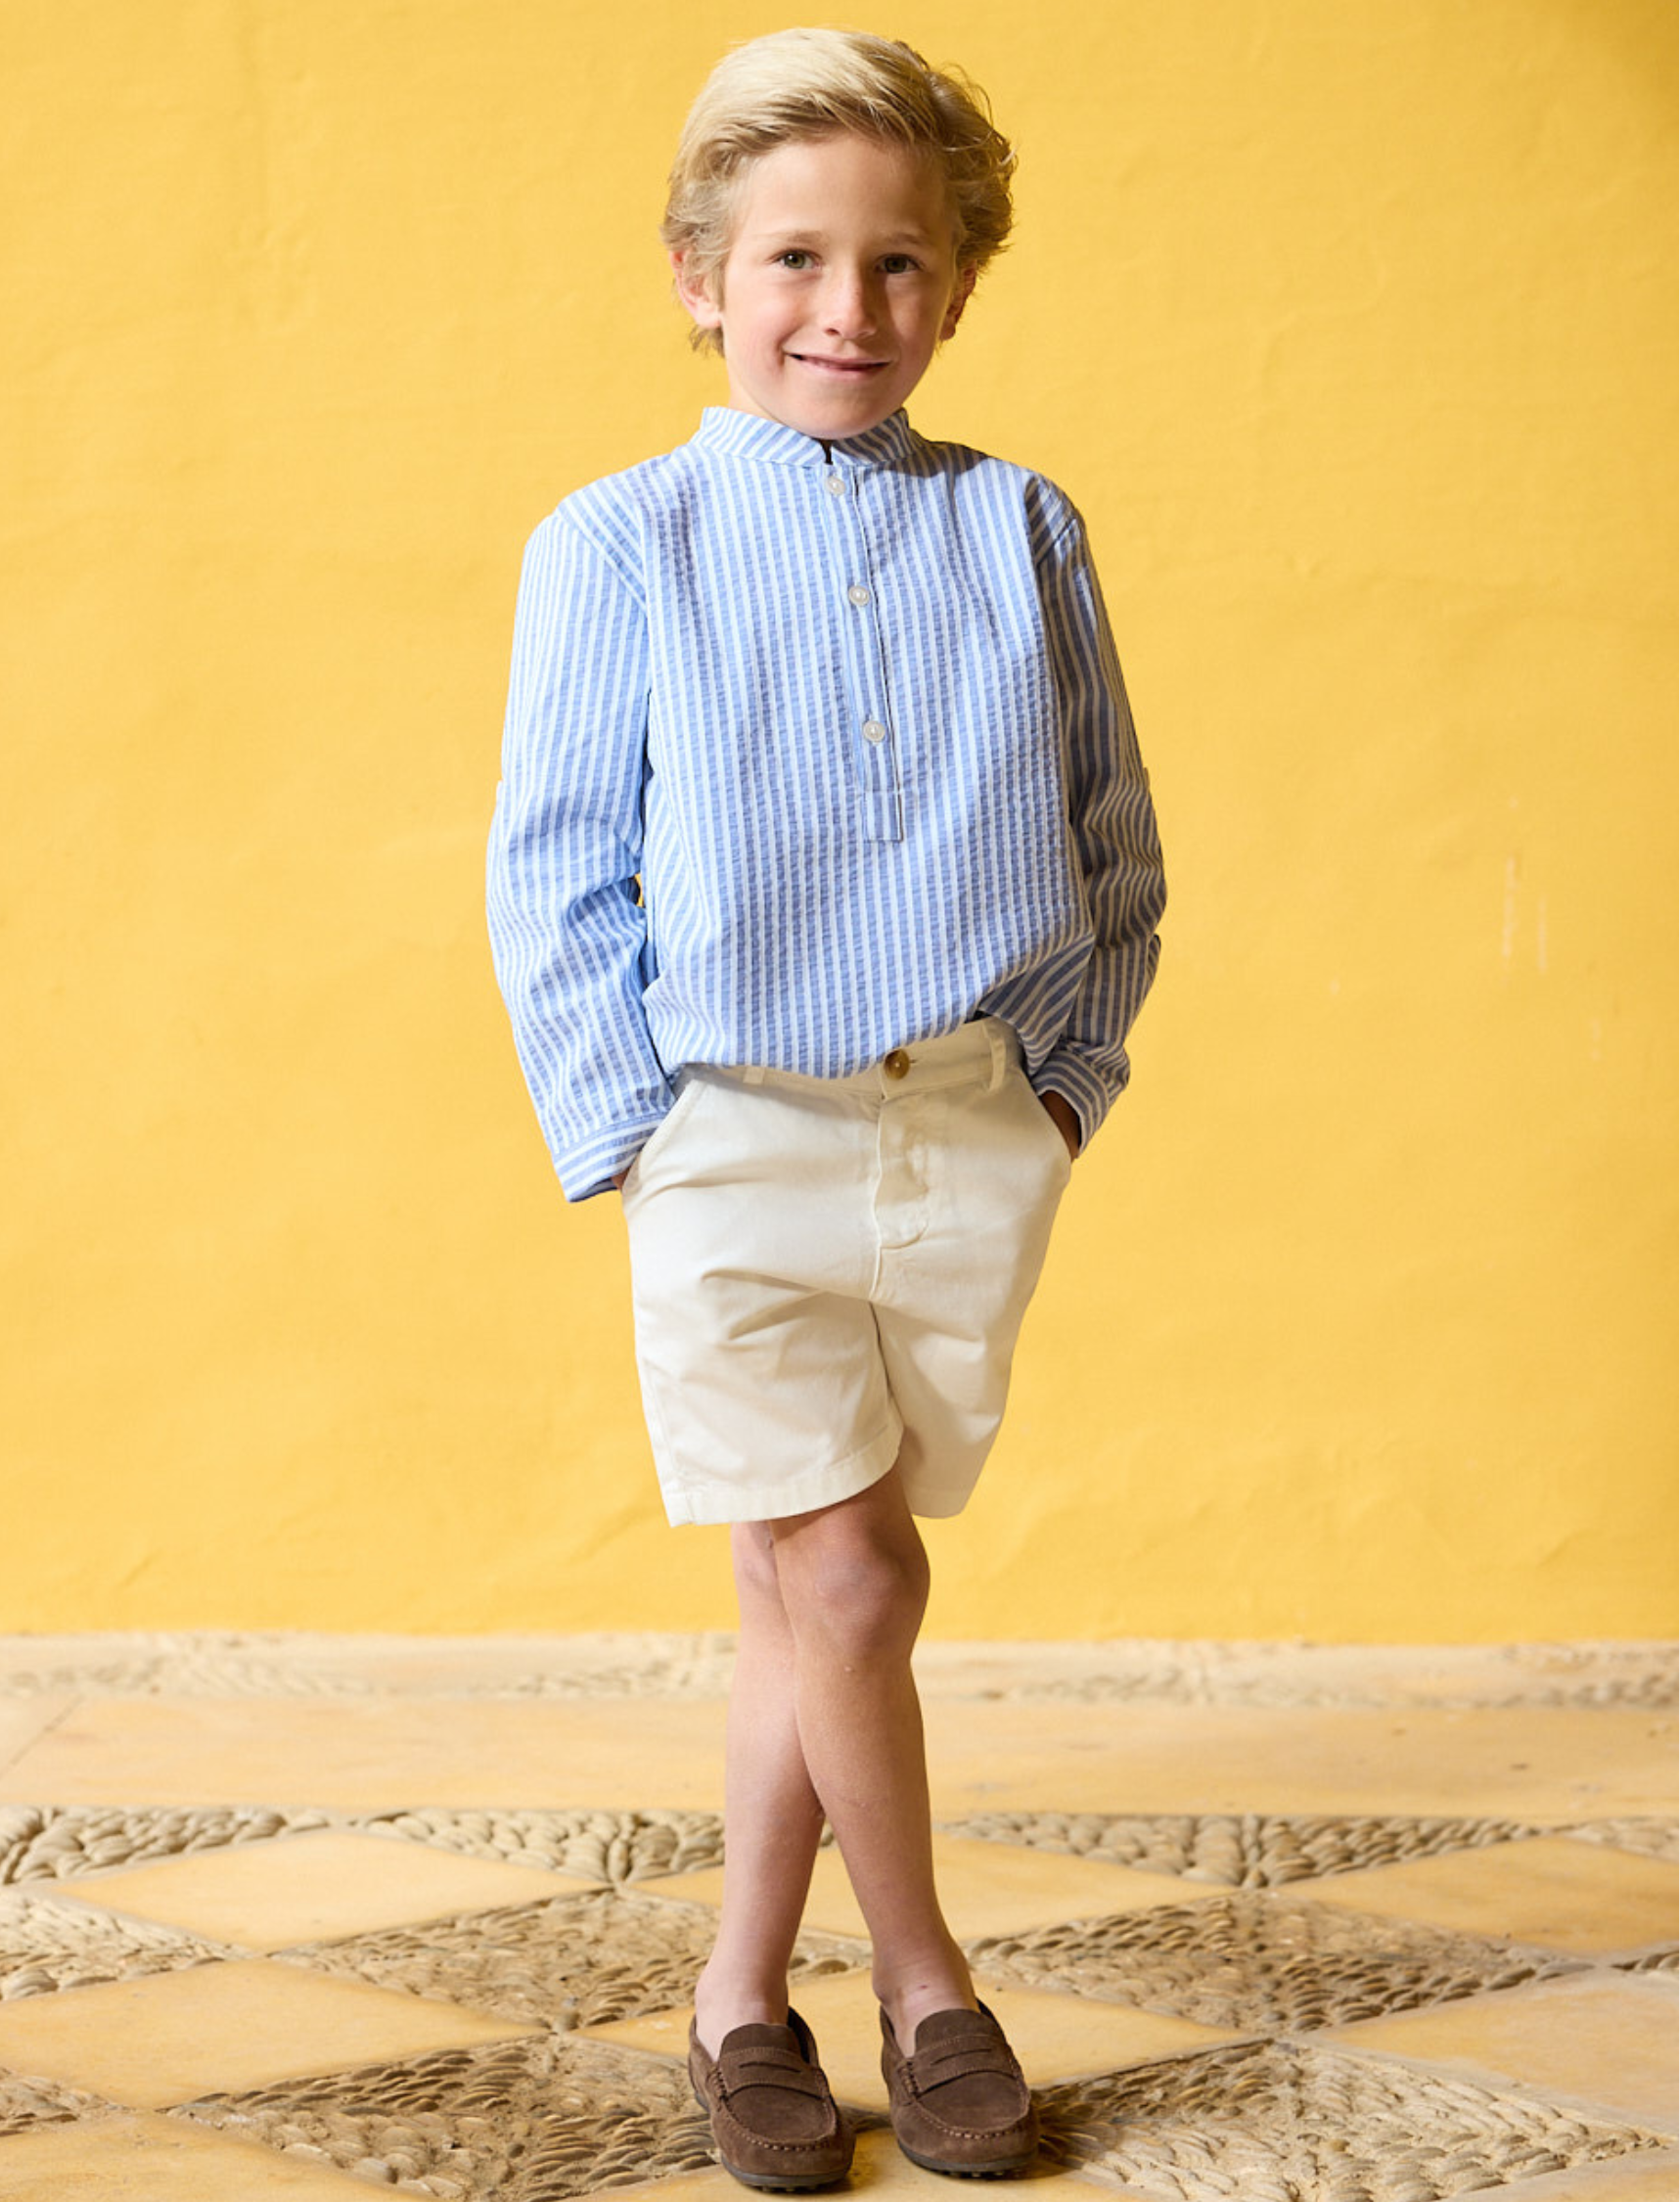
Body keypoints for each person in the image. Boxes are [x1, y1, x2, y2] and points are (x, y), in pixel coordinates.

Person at [486, 26, 1164, 2187]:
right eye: (794, 258)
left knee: (814, 1593)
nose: (845, 308)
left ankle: (733, 1996)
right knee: (852, 1574)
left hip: (968, 1130)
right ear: (702, 276)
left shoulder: (1020, 524)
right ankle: (932, 1983)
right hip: (728, 1136)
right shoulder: (621, 539)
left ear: (955, 287)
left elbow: (1113, 837)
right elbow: (554, 863)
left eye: (898, 262)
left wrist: (1061, 1086)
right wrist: (635, 1133)